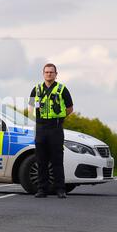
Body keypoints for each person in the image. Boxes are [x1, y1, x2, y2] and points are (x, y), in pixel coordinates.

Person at [28, 63, 74, 198]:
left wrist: (59, 117)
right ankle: (42, 189)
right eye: (47, 72)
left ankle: (60, 189)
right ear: (43, 74)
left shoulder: (62, 89)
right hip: (41, 127)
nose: (49, 74)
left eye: (51, 72)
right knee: (41, 160)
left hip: (55, 127)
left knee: (57, 160)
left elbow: (70, 108)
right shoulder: (36, 89)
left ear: (56, 74)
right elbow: (30, 108)